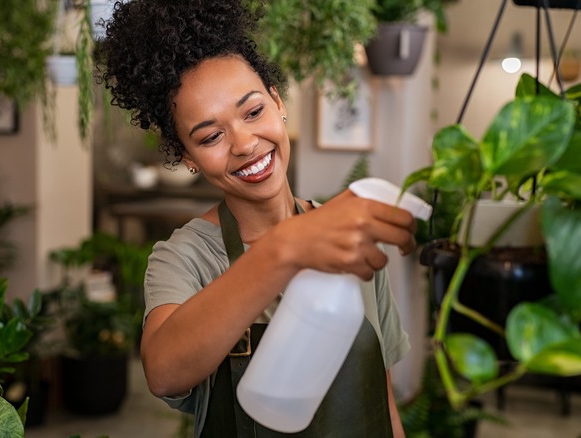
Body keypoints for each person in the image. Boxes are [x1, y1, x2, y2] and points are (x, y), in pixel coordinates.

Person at [97, 1, 417, 436]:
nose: (245, 143)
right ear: (188, 158)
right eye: (211, 136)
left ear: (278, 102)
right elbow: (164, 372)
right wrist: (286, 248)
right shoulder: (186, 258)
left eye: (253, 112)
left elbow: (382, 404)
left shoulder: (348, 236)